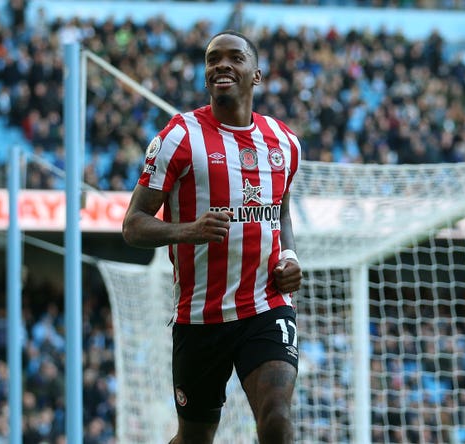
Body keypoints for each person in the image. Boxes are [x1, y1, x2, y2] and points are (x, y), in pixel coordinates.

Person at [122, 30, 303, 444]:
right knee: (195, 437)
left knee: (276, 418)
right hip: (200, 317)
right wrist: (188, 231)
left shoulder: (284, 143)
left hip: (266, 305)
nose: (221, 64)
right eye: (212, 59)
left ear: (255, 75)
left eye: (234, 57)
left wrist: (289, 255)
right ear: (206, 77)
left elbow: (280, 211)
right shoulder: (179, 136)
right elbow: (133, 225)